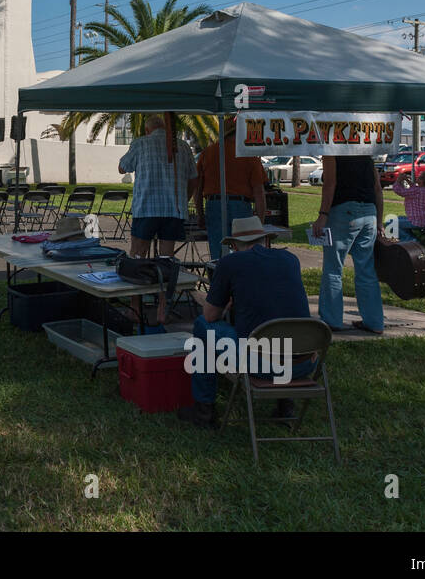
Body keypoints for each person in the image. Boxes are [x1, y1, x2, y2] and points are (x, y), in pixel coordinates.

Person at [177, 216, 314, 429]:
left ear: (233, 245)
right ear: (266, 241)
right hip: (304, 362)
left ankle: (204, 410)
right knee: (278, 337)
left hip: (262, 364)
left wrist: (225, 303)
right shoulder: (290, 259)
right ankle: (286, 405)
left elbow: (211, 315)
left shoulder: (230, 262)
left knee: (203, 326)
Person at [314, 155, 384, 333]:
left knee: (333, 268)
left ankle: (332, 320)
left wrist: (323, 214)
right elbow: (377, 189)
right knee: (366, 270)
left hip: (343, 210)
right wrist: (379, 221)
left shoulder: (332, 152)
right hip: (369, 212)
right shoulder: (366, 154)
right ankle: (374, 321)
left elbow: (330, 184)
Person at [118, 113, 197, 259]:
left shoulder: (140, 143)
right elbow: (193, 178)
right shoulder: (183, 146)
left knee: (138, 253)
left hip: (146, 207)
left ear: (147, 130)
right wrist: (184, 200)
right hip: (174, 209)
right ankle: (164, 279)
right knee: (167, 256)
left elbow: (122, 168)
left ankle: (138, 279)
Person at [194, 114, 267, 260]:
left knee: (218, 252)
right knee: (244, 250)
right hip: (241, 205)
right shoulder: (249, 155)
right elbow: (259, 192)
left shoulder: (207, 153)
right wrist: (260, 220)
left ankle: (219, 279)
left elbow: (198, 189)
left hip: (214, 205)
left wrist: (200, 214)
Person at [392, 170, 425, 236]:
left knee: (391, 223)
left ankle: (410, 240)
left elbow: (399, 190)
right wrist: (406, 180)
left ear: (422, 181)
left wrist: (399, 180)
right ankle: (410, 238)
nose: (417, 178)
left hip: (417, 221)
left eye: (419, 177)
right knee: (398, 219)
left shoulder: (418, 191)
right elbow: (414, 188)